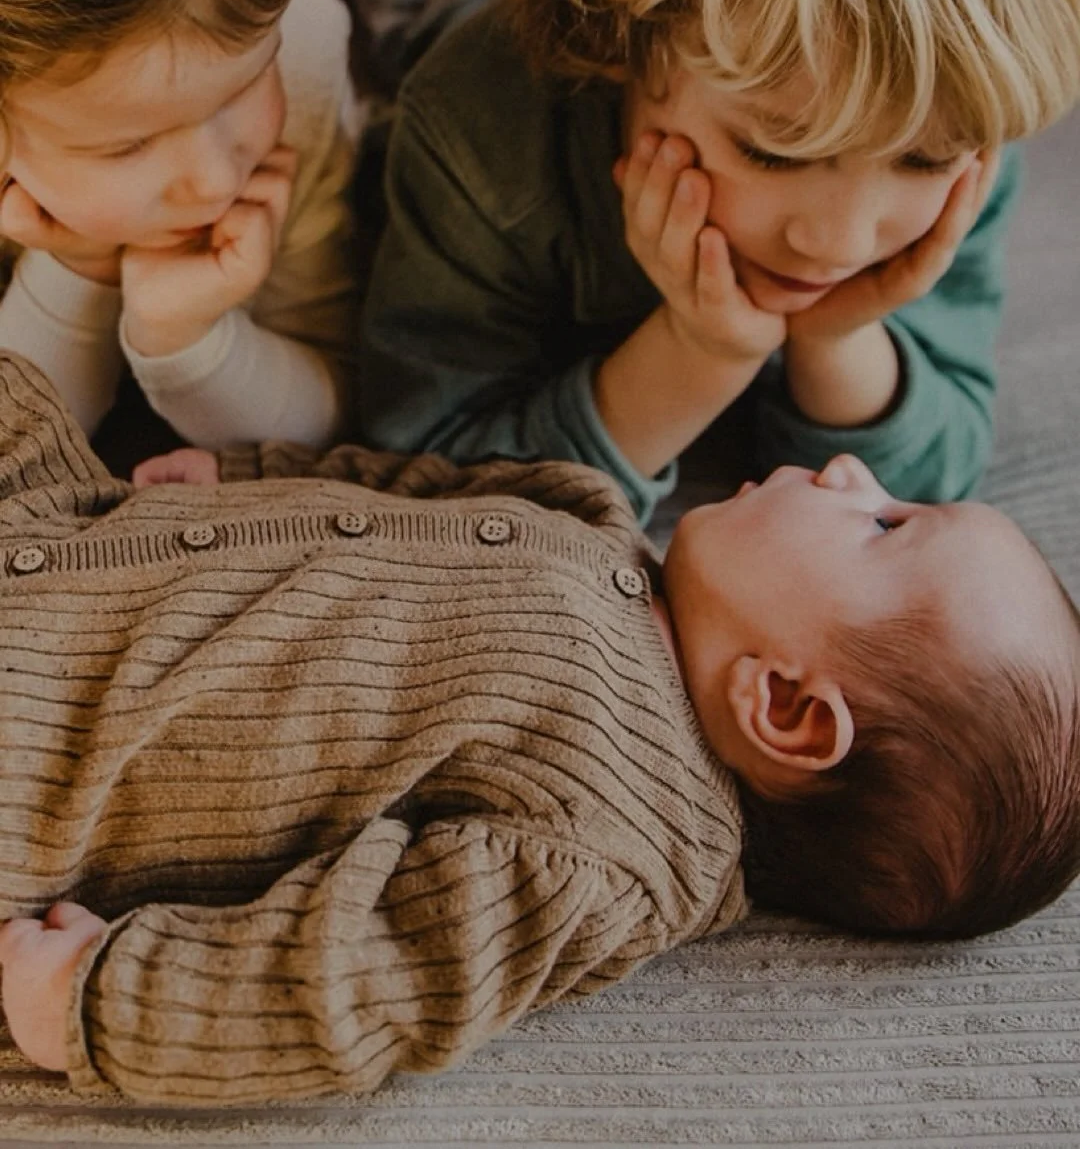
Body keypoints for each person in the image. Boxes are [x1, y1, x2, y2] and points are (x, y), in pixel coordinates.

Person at [0, 350, 1076, 1106]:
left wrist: (110, 1003)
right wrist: (249, 473)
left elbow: (368, 978)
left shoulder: (599, 846)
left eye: (886, 524)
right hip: (77, 527)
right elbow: (415, 486)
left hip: (54, 738)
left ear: (786, 710)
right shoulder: (604, 518)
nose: (853, 471)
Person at [354, 0, 1080, 523]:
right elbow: (433, 480)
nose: (842, 243)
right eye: (773, 150)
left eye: (922, 162)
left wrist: (840, 338)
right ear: (623, 35)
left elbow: (919, 490)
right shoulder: (478, 121)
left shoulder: (955, 114)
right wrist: (696, 354)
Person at [0, 0, 362, 450]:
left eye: (249, 82)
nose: (216, 177)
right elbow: (13, 457)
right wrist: (78, 271)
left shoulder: (304, 66)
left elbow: (335, 419)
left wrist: (188, 339)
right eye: (128, 146)